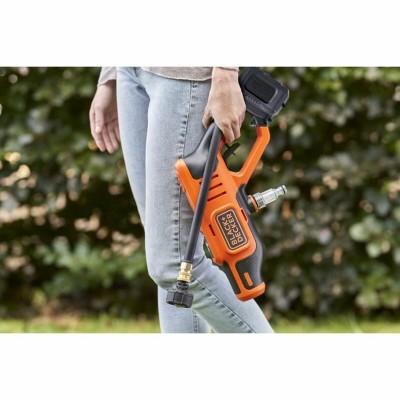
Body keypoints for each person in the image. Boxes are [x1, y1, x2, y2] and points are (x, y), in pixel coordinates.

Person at [89, 67, 273, 333]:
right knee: (168, 249)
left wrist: (225, 73)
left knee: (174, 263)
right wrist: (109, 76)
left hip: (184, 77)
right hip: (131, 71)